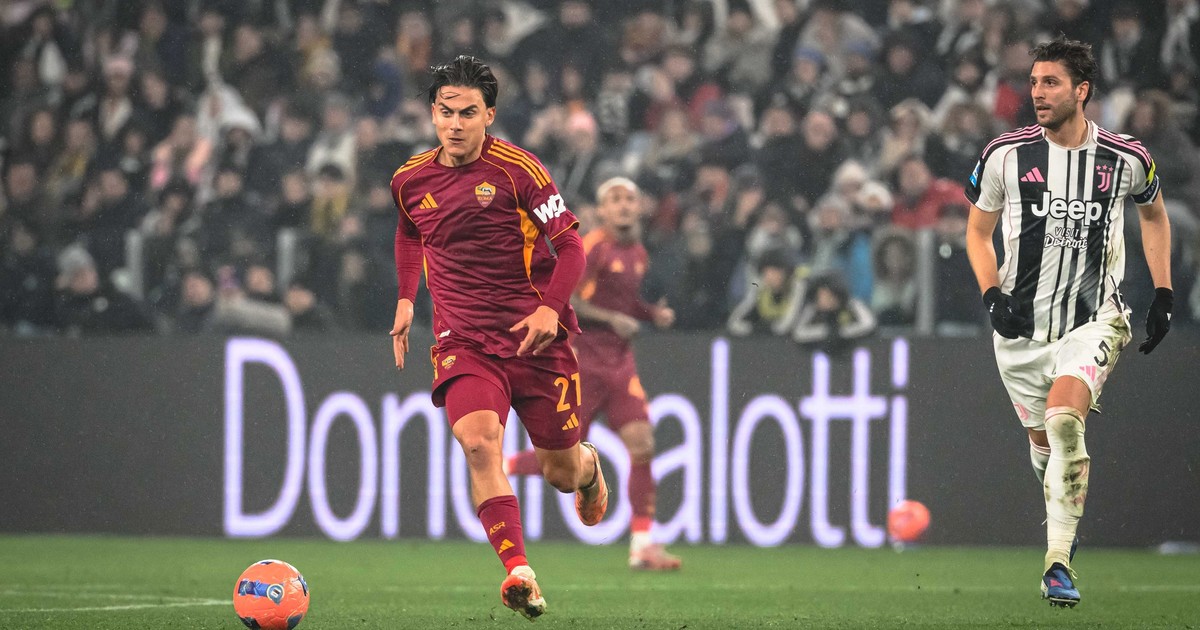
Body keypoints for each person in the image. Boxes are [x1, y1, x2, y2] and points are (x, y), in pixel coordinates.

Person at [388, 55, 608, 621]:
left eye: (467, 113)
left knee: (560, 473)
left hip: (536, 340)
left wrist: (550, 311)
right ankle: (519, 571)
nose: (455, 124)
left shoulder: (520, 170)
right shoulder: (409, 180)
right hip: (463, 340)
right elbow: (410, 233)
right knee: (480, 444)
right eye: (445, 112)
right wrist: (407, 298)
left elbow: (572, 246)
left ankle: (588, 466)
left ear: (489, 116)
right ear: (432, 114)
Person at [964, 37, 1173, 608]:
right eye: (1034, 82)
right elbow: (977, 233)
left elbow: (1155, 217)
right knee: (1045, 447)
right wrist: (990, 295)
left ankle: (1057, 562)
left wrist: (1162, 291)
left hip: (1093, 319)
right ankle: (1065, 521)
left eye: (1050, 82)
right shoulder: (1005, 155)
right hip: (1020, 331)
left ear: (1082, 90)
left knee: (1063, 422)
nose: (1037, 92)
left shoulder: (1126, 158)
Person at [505, 177, 682, 570]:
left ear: (639, 207)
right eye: (614, 199)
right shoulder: (591, 247)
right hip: (582, 361)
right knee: (564, 459)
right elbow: (569, 300)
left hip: (619, 363)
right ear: (601, 210)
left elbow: (626, 303)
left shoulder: (638, 252)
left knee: (643, 444)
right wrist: (614, 319)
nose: (623, 205)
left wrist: (651, 314)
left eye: (629, 198)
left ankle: (641, 545)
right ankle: (500, 468)